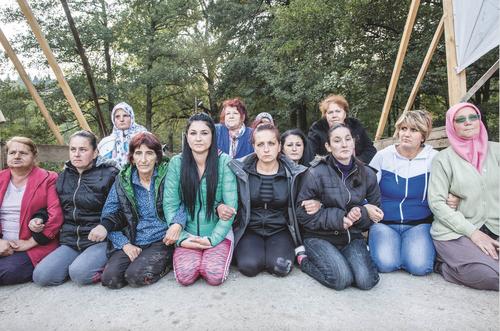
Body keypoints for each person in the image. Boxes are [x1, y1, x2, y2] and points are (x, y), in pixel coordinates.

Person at [295, 124, 381, 290]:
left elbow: (374, 210)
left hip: (351, 237)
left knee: (366, 281)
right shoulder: (315, 173)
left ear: (353, 142)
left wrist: (361, 213)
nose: (344, 144)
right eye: (337, 140)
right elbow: (302, 213)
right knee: (342, 279)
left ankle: (344, 259)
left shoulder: (367, 173)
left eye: (348, 139)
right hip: (320, 236)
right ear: (328, 146)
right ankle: (303, 260)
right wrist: (339, 219)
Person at [32, 131, 119, 286]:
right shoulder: (63, 177)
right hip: (71, 241)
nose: (77, 154)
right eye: (73, 149)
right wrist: (40, 218)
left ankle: (103, 263)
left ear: (95, 153)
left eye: (83, 150)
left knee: (80, 274)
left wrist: (105, 225)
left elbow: (122, 209)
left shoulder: (110, 174)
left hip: (100, 240)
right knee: (42, 277)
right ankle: (78, 264)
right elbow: (52, 207)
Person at [429, 102, 499, 290]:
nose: (468, 122)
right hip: (456, 231)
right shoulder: (443, 159)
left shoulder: (497, 151)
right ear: (452, 125)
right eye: (460, 119)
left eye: (472, 117)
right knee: (491, 276)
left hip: (495, 227)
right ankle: (443, 266)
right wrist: (473, 233)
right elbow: (436, 203)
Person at [99, 132, 182, 289]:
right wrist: (124, 244)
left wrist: (177, 223)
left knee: (135, 277)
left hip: (162, 239)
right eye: (138, 153)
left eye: (149, 153)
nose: (143, 159)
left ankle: (166, 261)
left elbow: (185, 201)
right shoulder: (123, 180)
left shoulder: (168, 175)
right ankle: (141, 261)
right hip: (133, 238)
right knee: (110, 279)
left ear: (157, 157)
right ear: (132, 157)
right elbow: (109, 214)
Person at [164, 113, 238, 286]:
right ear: (186, 136)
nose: (198, 138)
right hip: (187, 233)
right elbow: (170, 203)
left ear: (213, 135)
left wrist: (212, 239)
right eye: (193, 133)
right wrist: (182, 238)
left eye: (204, 133)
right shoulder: (176, 163)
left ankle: (214, 250)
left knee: (214, 275)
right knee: (185, 276)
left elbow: (231, 207)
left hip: (218, 232)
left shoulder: (224, 161)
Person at [228, 123, 307, 277]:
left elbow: (309, 197)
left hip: (280, 229)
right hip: (250, 229)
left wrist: (315, 202)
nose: (266, 149)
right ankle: (255, 253)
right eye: (260, 144)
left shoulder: (294, 173)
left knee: (280, 268)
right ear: (254, 147)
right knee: (249, 267)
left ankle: (271, 254)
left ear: (279, 146)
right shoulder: (240, 171)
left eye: (271, 143)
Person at [368, 110, 438, 276]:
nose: (406, 134)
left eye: (413, 130)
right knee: (385, 264)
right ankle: (387, 246)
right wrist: (366, 206)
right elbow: (363, 188)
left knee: (419, 267)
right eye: (403, 128)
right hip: (385, 223)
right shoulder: (383, 156)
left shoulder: (434, 158)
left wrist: (453, 197)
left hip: (420, 224)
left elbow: (449, 187)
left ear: (423, 135)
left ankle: (407, 250)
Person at [0, 137, 63, 285]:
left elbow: (56, 216)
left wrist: (30, 242)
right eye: (12, 152)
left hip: (34, 245)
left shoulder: (48, 178)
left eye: (23, 153)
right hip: (2, 242)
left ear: (34, 156)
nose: (16, 156)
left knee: (6, 271)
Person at [303, 94, 376, 165]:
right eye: (330, 112)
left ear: (345, 114)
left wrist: (356, 162)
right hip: (329, 170)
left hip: (357, 167)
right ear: (325, 116)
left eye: (338, 111)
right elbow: (309, 155)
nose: (334, 115)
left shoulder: (355, 125)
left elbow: (370, 150)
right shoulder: (317, 129)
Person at [98, 102, 148, 169]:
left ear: (131, 117)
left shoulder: (144, 136)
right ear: (113, 119)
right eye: (117, 117)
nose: (121, 120)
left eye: (125, 115)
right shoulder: (107, 142)